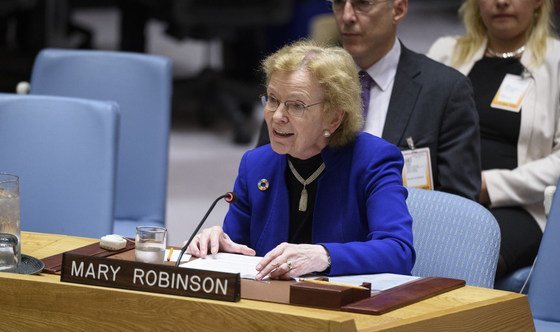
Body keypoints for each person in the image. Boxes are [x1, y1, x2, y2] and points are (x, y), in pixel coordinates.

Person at [188, 41, 415, 280]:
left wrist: (325, 255)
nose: (277, 116)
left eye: (296, 106)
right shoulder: (255, 165)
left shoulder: (372, 160)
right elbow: (239, 249)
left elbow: (398, 251)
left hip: (343, 307)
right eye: (273, 100)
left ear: (334, 118)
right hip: (272, 307)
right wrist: (217, 244)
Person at [257, 0, 482, 202]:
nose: (346, 16)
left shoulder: (444, 89)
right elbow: (263, 175)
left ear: (399, 9)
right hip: (304, 232)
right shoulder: (299, 81)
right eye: (338, 3)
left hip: (403, 236)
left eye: (363, 4)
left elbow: (459, 207)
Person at [428, 0, 560, 279]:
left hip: (520, 206)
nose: (501, 2)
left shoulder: (556, 61)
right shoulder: (446, 52)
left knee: (466, 257)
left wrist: (488, 185)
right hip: (443, 198)